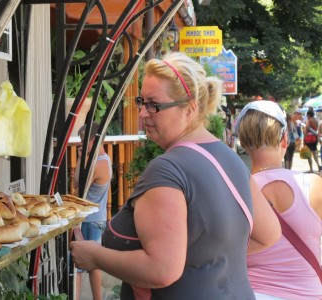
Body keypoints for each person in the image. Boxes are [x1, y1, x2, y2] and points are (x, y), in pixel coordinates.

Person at [70, 52, 281, 299]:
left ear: (189, 110)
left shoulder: (167, 169)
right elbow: (269, 234)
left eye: (154, 105)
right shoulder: (231, 158)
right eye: (141, 102)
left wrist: (94, 256)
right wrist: (203, 261)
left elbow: (161, 270)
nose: (142, 114)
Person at [236, 100, 322, 299]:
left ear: (242, 140)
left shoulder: (237, 191)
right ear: (284, 140)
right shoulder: (313, 185)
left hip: (255, 293)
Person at [73, 121, 112, 300]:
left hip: (89, 220)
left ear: (95, 139)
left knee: (79, 266)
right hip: (97, 218)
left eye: (83, 140)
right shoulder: (103, 160)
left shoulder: (98, 164)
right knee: (93, 266)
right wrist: (82, 158)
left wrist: (81, 159)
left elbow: (77, 187)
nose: (81, 144)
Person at [303, 108, 320, 173]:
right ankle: (319, 166)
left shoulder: (309, 120)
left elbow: (307, 129)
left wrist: (304, 138)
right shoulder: (316, 121)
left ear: (309, 115)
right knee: (314, 153)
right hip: (314, 138)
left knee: (309, 154)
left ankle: (311, 169)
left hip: (309, 138)